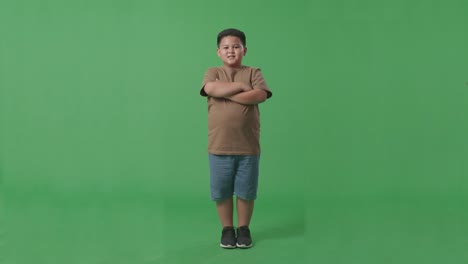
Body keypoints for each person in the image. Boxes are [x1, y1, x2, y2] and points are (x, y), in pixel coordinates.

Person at [199, 28, 272, 249]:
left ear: (244, 50)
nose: (231, 50)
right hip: (219, 146)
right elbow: (211, 88)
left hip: (248, 147)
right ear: (218, 52)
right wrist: (240, 88)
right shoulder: (213, 72)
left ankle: (244, 229)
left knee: (246, 191)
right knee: (221, 192)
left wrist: (227, 93)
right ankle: (227, 230)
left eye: (236, 46)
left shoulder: (253, 72)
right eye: (226, 47)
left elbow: (259, 95)